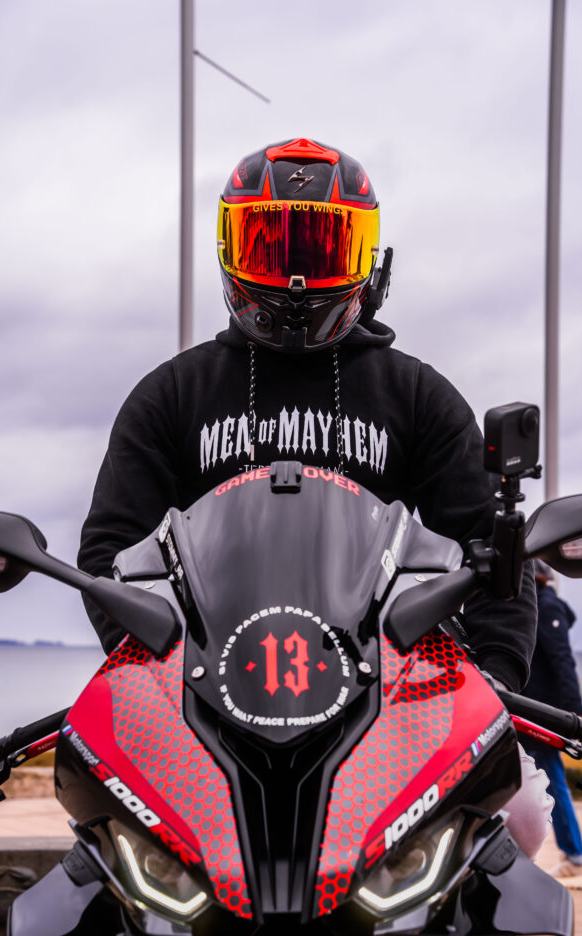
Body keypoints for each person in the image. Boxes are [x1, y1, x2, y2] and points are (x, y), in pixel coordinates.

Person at [78, 136, 550, 857]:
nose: (297, 275)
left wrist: (492, 681)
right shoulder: (173, 394)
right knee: (106, 833)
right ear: (231, 252)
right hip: (204, 696)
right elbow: (108, 554)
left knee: (521, 819)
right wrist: (154, 677)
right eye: (270, 244)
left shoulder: (415, 394)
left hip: (391, 698)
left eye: (324, 246)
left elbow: (493, 551)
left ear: (367, 259)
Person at [522, 561, 582, 888]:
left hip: (543, 714)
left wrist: (575, 713)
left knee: (552, 782)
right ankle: (572, 857)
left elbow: (563, 660)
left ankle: (577, 860)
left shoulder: (547, 607)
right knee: (545, 781)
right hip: (532, 712)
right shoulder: (537, 606)